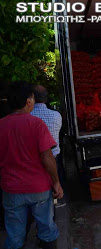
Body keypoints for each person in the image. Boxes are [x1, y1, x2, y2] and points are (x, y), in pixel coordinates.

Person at [0, 81, 63, 249]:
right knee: (47, 229)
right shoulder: (36, 124)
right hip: (39, 189)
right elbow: (47, 157)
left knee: (14, 235)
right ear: (28, 101)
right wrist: (56, 182)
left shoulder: (1, 125)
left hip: (11, 189)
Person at [31, 85, 65, 207]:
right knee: (55, 182)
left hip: (34, 159)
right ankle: (56, 201)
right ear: (46, 99)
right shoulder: (56, 115)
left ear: (32, 98)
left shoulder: (28, 117)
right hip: (54, 156)